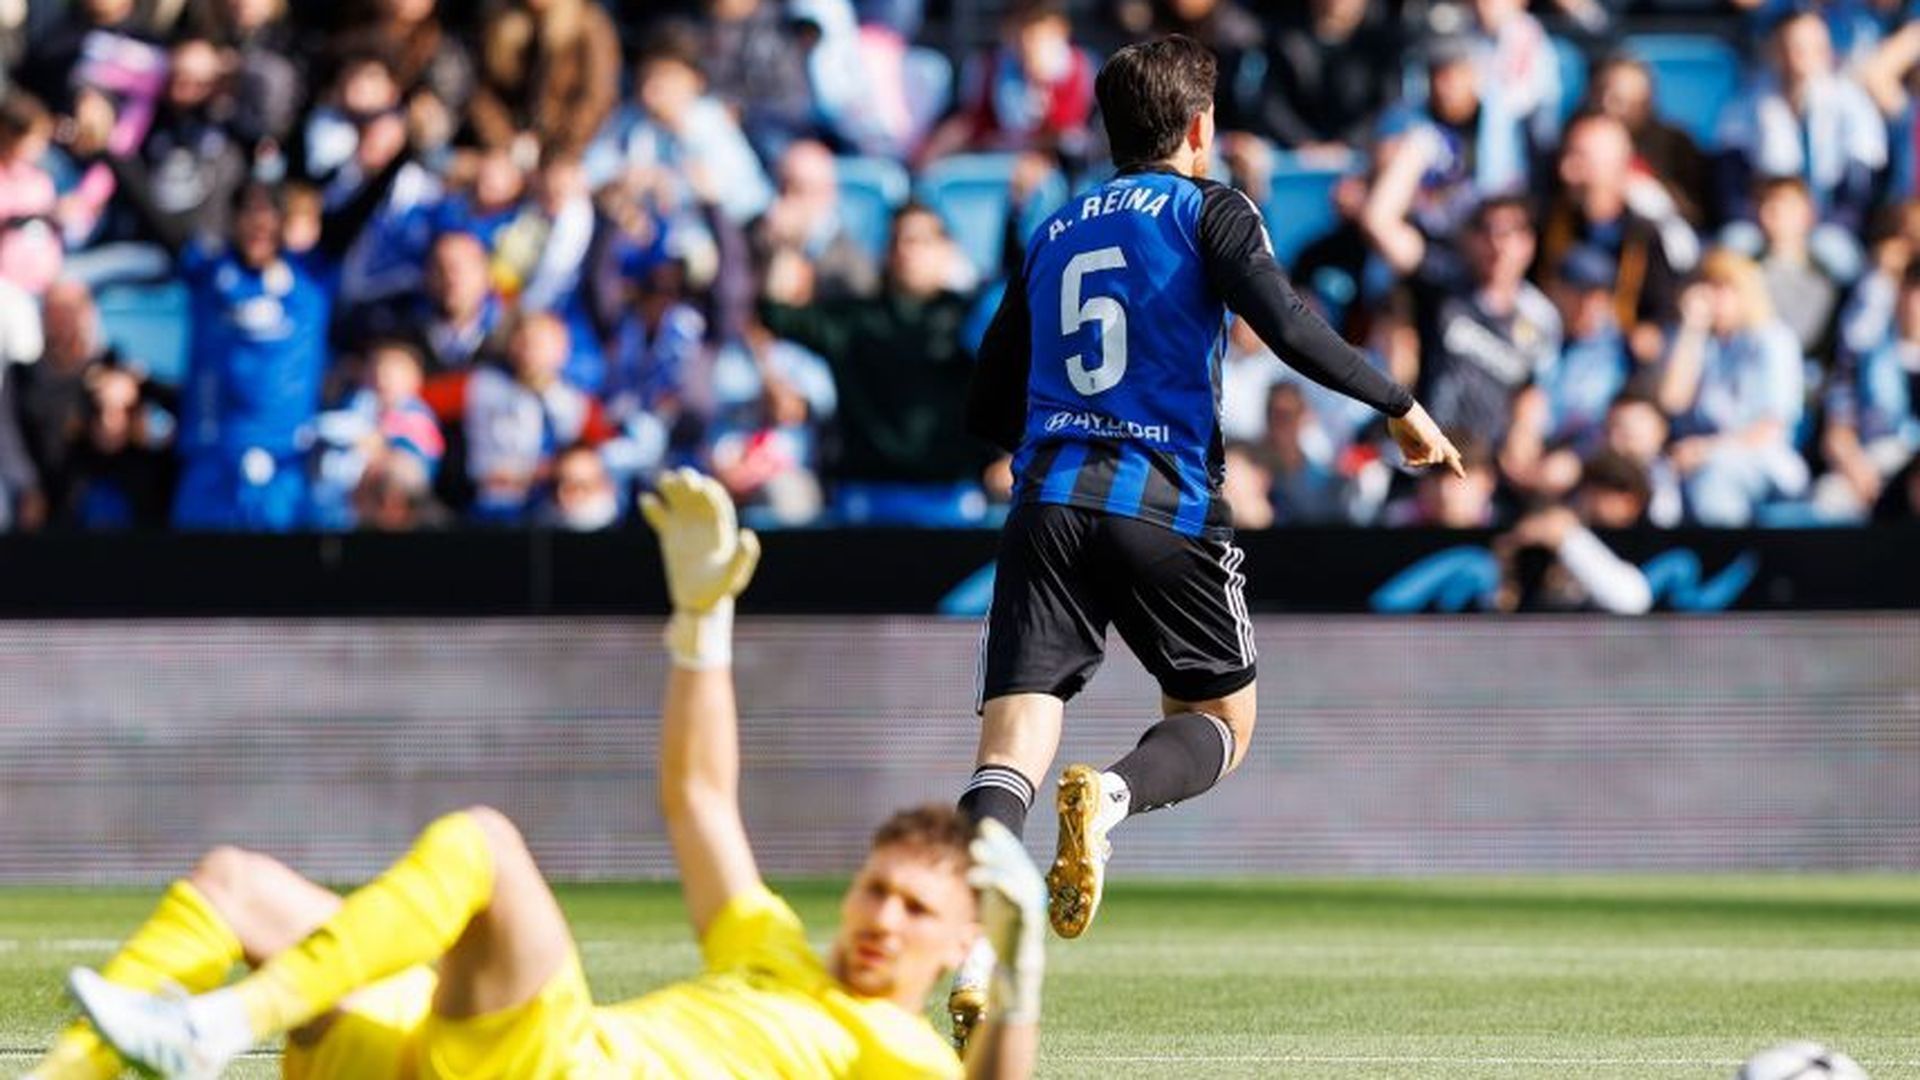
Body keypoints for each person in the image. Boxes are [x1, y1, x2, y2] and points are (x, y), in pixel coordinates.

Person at [47, 469, 1049, 1080]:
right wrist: (702, 624)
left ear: (964, 940)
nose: (882, 917)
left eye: (917, 911)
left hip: (551, 1067)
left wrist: (1015, 984)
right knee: (236, 882)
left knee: (486, 843)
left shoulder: (902, 1056)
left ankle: (217, 1027)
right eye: (878, 889)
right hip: (465, 1061)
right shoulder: (775, 951)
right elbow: (699, 799)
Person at [954, 32, 1459, 1030]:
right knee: (1223, 725)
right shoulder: (1209, 208)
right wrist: (1400, 405)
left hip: (1047, 503)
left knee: (1007, 751)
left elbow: (984, 402)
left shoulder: (1054, 229)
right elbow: (1286, 320)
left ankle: (971, 952)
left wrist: (1054, 431)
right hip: (1164, 501)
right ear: (1199, 128)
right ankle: (1113, 798)